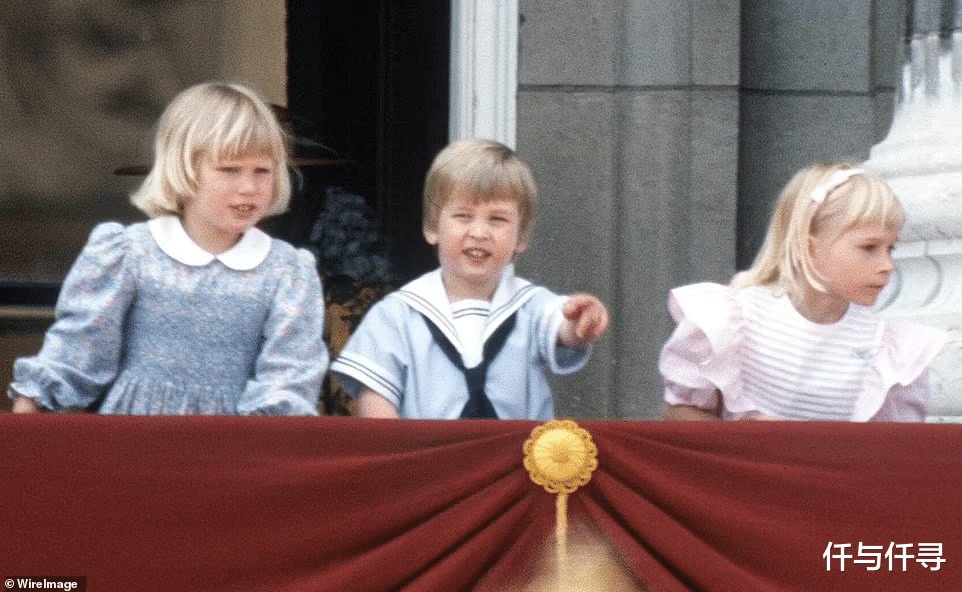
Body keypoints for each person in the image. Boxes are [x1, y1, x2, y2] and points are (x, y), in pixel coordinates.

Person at [7, 81, 328, 415]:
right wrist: (31, 405)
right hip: (134, 436)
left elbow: (289, 376)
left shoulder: (286, 271)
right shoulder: (129, 254)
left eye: (262, 171)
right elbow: (77, 351)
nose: (249, 187)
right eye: (230, 170)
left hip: (234, 441)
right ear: (183, 169)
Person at [330, 138, 609, 419]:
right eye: (463, 216)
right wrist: (395, 445)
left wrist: (578, 324)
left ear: (520, 237)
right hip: (432, 448)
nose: (479, 232)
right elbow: (376, 398)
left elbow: (560, 326)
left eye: (497, 220)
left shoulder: (530, 306)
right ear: (432, 228)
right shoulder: (398, 315)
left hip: (517, 448)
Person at [660, 162, 945, 421]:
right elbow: (681, 411)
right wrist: (748, 436)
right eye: (869, 247)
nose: (888, 266)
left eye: (890, 248)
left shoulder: (884, 349)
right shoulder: (732, 320)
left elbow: (892, 447)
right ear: (809, 248)